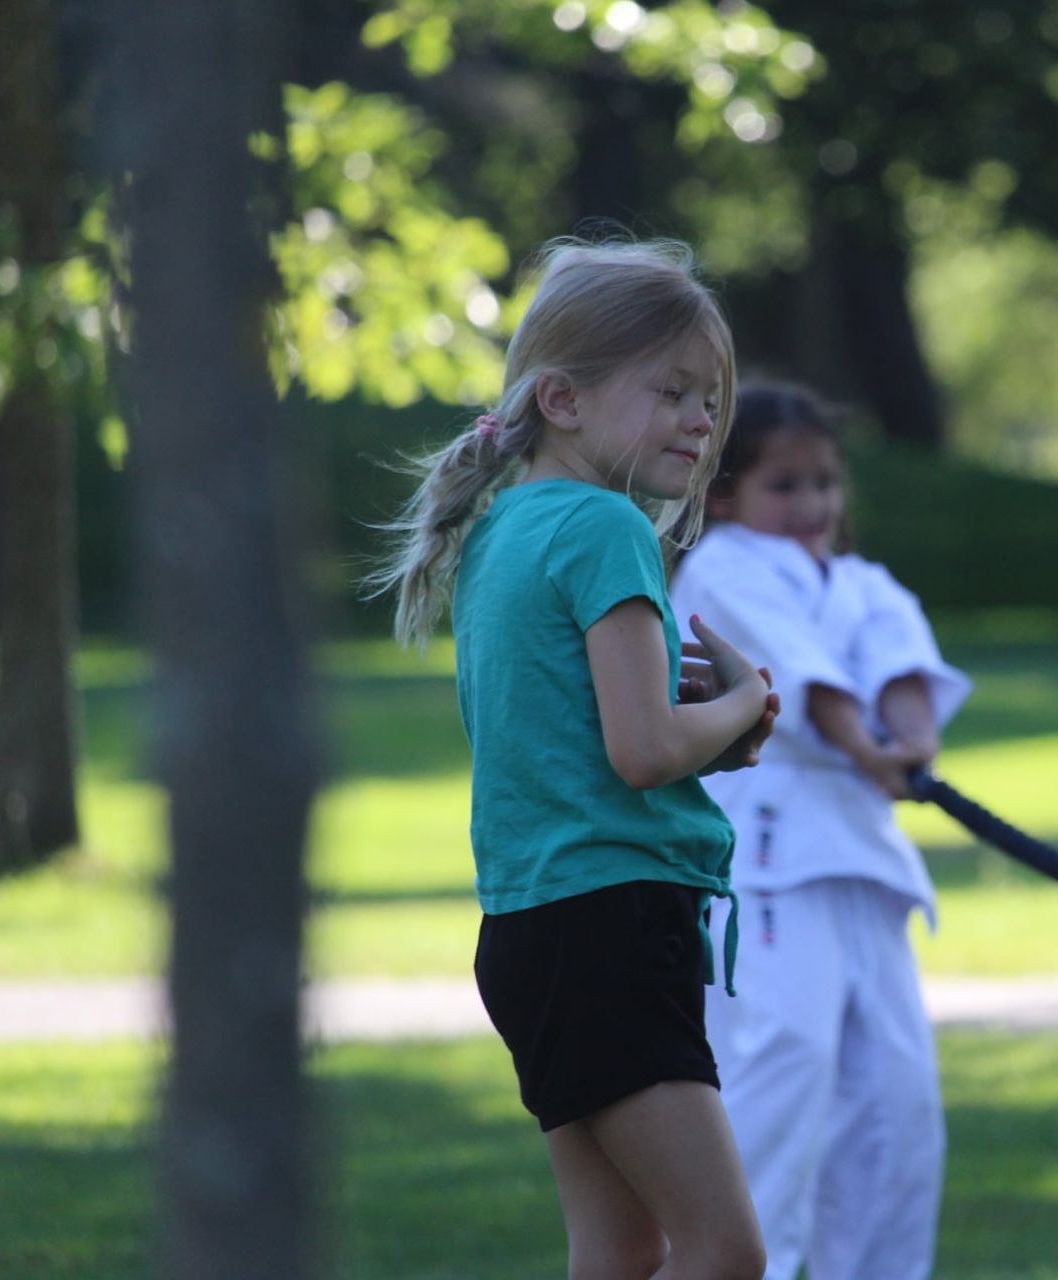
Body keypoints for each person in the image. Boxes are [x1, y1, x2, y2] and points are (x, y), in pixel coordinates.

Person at [366, 238, 779, 1280]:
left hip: (536, 928)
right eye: (673, 391)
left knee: (620, 1246)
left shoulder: (506, 526)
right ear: (562, 398)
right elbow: (642, 751)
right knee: (723, 1247)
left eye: (709, 398)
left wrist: (715, 739)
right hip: (610, 925)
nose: (700, 419)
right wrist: (742, 704)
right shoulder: (603, 525)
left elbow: (581, 746)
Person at [669, 382, 970, 1280]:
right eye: (786, 487)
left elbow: (900, 672)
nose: (814, 508)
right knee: (781, 1065)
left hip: (863, 858)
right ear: (724, 497)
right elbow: (800, 687)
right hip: (765, 855)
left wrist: (912, 744)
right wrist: (869, 752)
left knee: (896, 1098)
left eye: (826, 486)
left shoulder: (865, 584)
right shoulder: (720, 570)